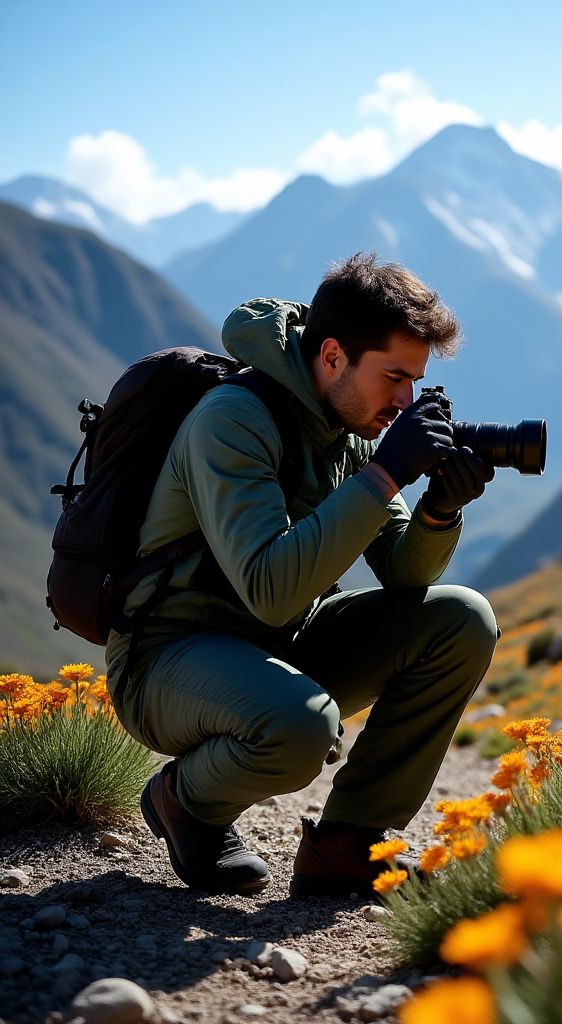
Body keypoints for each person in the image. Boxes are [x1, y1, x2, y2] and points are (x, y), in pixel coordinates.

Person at [104, 252, 499, 898]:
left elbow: (403, 574)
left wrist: (438, 510)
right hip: (167, 657)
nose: (406, 401)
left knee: (460, 621)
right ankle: (186, 801)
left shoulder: (349, 426)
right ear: (334, 356)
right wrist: (383, 474)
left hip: (276, 644)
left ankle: (347, 843)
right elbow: (270, 588)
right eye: (395, 377)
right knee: (301, 725)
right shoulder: (233, 420)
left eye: (414, 381)